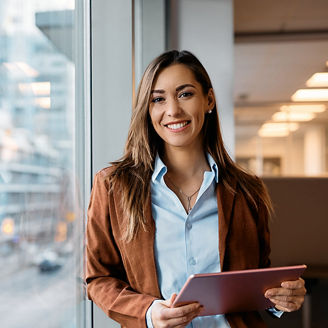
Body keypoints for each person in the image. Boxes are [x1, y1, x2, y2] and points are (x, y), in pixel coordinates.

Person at [85, 50, 306, 328]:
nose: (173, 110)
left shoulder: (248, 191)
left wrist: (281, 297)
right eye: (158, 99)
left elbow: (256, 276)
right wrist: (149, 312)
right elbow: (98, 278)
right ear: (148, 109)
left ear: (209, 100)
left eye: (185, 94)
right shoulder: (113, 186)